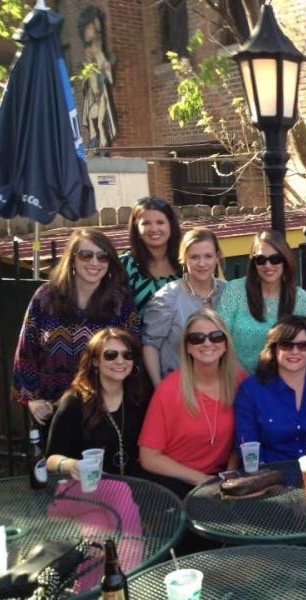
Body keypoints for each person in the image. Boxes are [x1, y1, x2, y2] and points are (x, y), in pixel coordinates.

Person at [12, 229, 140, 429]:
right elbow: (26, 349)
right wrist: (32, 398)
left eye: (102, 256)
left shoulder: (120, 302)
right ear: (72, 259)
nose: (94, 262)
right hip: (53, 407)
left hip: (105, 408)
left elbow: (134, 350)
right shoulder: (45, 298)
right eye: (86, 255)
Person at [138, 309, 241, 497]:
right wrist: (202, 481)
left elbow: (244, 437)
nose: (207, 343)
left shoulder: (240, 382)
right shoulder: (168, 390)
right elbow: (149, 458)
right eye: (197, 338)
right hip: (175, 479)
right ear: (187, 347)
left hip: (221, 479)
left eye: (216, 336)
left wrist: (229, 475)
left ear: (226, 343)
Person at [235, 316, 306, 463]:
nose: (295, 351)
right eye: (286, 345)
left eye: (303, 345)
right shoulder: (251, 390)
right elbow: (247, 445)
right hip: (269, 474)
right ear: (274, 348)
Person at [46, 328, 151, 477]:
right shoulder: (75, 402)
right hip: (89, 486)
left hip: (136, 485)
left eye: (127, 355)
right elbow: (51, 459)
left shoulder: (140, 399)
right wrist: (71, 465)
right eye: (110, 355)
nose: (120, 361)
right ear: (95, 361)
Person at [218, 230, 306, 373]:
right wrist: (245, 382)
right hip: (236, 381)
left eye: (275, 259)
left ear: (285, 259)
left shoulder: (300, 299)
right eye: (261, 259)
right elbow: (220, 339)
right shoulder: (234, 291)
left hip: (283, 383)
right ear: (253, 262)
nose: (268, 265)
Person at [142, 228, 227, 384]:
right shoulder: (167, 297)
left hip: (221, 387)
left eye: (208, 256)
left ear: (217, 257)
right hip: (178, 387)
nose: (202, 263)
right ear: (184, 259)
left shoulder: (229, 293)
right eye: (194, 257)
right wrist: (158, 387)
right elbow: (150, 345)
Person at [120, 196, 181, 314]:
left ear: (171, 226)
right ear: (136, 228)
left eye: (160, 222)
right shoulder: (123, 266)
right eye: (146, 223)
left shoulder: (188, 261)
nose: (154, 229)